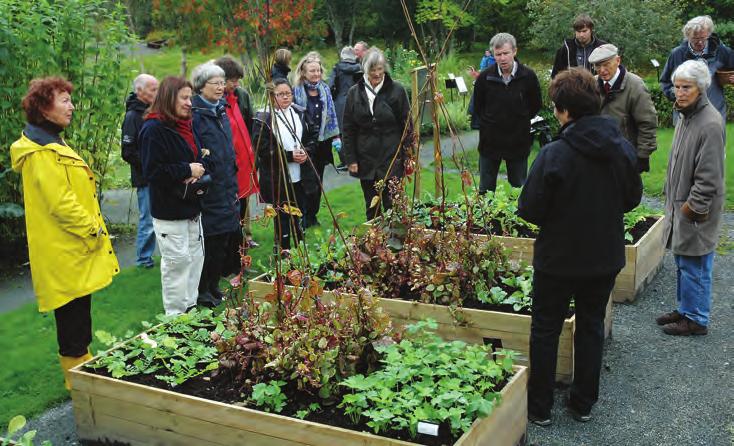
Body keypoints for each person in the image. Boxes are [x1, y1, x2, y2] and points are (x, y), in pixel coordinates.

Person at [518, 68, 642, 426]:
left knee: (545, 327)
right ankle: (583, 402)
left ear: (564, 110)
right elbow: (632, 198)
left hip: (558, 257)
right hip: (603, 255)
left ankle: (539, 407)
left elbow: (529, 208)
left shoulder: (555, 153)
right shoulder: (620, 148)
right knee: (590, 324)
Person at [10, 77, 120, 390]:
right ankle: (80, 387)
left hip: (72, 248)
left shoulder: (52, 143)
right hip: (65, 250)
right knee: (72, 322)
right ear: (44, 109)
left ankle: (83, 374)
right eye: (64, 101)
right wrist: (93, 229)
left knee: (78, 316)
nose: (71, 106)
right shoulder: (42, 153)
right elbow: (60, 204)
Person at [656, 60, 725, 336]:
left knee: (695, 263)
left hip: (695, 211)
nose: (679, 93)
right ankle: (685, 309)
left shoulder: (709, 123)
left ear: (701, 87)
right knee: (683, 260)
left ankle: (696, 319)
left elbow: (709, 178)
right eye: (676, 87)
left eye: (686, 87)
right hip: (680, 205)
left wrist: (691, 210)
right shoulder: (686, 115)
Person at [139, 76, 208, 316]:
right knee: (177, 265)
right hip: (170, 211)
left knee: (195, 260)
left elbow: (198, 156)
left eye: (190, 97)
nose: (190, 103)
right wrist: (187, 170)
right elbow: (152, 171)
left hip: (191, 206)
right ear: (169, 98)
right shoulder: (153, 129)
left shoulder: (184, 125)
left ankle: (191, 311)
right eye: (185, 97)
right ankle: (176, 320)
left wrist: (199, 167)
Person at [190, 62, 241, 307]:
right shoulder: (196, 115)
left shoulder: (221, 110)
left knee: (223, 240)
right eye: (216, 83)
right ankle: (202, 290)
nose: (221, 87)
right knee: (210, 242)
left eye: (223, 82)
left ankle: (213, 285)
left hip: (227, 185)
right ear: (201, 86)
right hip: (211, 188)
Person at [342, 47, 412, 221]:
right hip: (366, 156)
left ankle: (395, 242)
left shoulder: (397, 90)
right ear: (365, 69)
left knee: (393, 204)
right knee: (371, 205)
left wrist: (409, 154)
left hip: (392, 155)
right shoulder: (354, 93)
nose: (377, 73)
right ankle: (374, 243)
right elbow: (348, 128)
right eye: (373, 70)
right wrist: (351, 159)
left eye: (380, 69)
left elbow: (407, 125)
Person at [473, 32, 542, 193]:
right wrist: (491, 122)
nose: (502, 58)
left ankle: (516, 219)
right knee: (485, 190)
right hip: (490, 142)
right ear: (493, 55)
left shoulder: (528, 76)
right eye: (498, 54)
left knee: (518, 189)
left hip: (518, 141)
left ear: (515, 52)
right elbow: (478, 107)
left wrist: (520, 119)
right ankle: (486, 219)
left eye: (506, 53)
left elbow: (536, 104)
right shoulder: (485, 78)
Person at [252, 79, 310, 252]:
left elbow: (311, 137)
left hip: (300, 174)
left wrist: (305, 152)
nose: (286, 97)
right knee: (282, 214)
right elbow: (263, 150)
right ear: (271, 96)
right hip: (277, 177)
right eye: (281, 94)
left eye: (288, 93)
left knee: (299, 212)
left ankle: (301, 246)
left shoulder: (299, 112)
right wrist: (290, 156)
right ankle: (283, 249)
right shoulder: (262, 118)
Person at [214, 56, 260, 256]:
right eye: (232, 80)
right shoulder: (216, 103)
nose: (236, 84)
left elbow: (249, 124)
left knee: (243, 203)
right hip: (227, 166)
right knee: (231, 208)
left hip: (243, 161)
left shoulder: (239, 96)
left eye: (237, 80)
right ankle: (232, 251)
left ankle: (243, 243)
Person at [589, 44, 658, 172]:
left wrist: (642, 156)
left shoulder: (635, 85)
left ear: (618, 60)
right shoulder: (592, 85)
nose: (602, 70)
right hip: (597, 155)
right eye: (597, 66)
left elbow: (647, 122)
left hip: (626, 156)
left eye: (606, 64)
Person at [293, 51, 341, 228]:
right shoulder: (296, 90)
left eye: (318, 70)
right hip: (303, 143)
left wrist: (335, 135)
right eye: (312, 71)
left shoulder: (324, 88)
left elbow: (332, 114)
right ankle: (303, 215)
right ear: (304, 72)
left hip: (322, 143)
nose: (316, 74)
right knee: (306, 181)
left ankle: (312, 215)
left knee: (318, 180)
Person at [659, 15, 734, 126]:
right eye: (695, 39)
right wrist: (678, 93)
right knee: (685, 143)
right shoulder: (677, 54)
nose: (699, 42)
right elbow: (665, 82)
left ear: (708, 34)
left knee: (714, 142)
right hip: (686, 114)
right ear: (687, 36)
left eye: (703, 38)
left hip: (715, 111)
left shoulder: (721, 51)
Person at [121, 74, 159, 268]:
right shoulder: (133, 116)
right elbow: (127, 151)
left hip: (159, 175)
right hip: (145, 177)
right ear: (140, 91)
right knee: (148, 219)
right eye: (153, 89)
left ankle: (153, 256)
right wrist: (149, 166)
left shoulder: (153, 111)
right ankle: (143, 259)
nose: (157, 92)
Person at [329, 46, 362, 171]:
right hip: (357, 101)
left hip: (340, 103)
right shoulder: (359, 69)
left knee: (342, 133)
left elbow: (331, 86)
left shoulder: (336, 69)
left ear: (343, 56)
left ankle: (345, 161)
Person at [551, 14, 607, 79]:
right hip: (572, 87)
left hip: (596, 87)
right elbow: (555, 75)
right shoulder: (566, 49)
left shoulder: (602, 47)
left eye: (584, 31)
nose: (581, 35)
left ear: (591, 30)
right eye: (578, 31)